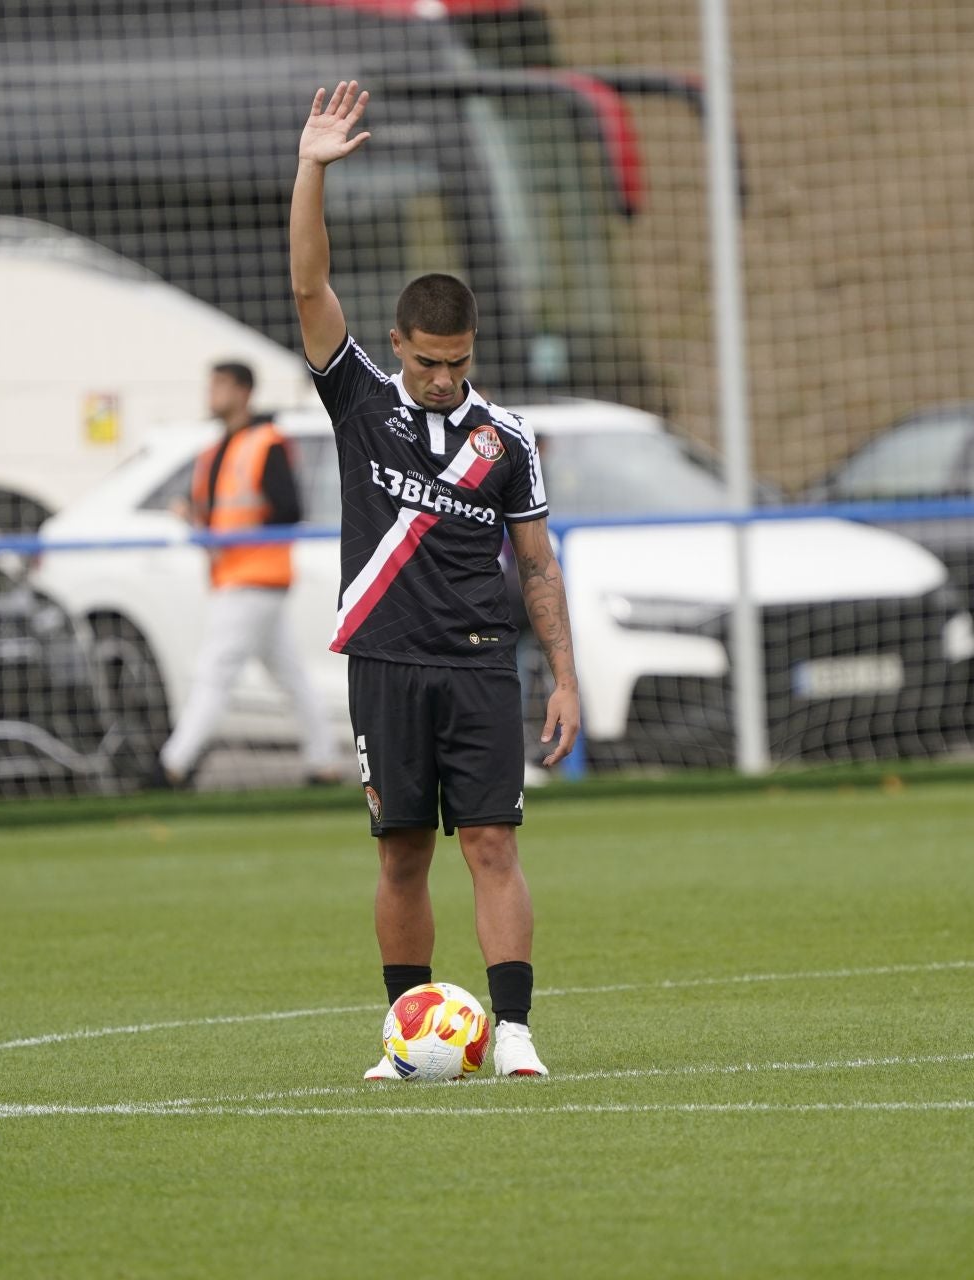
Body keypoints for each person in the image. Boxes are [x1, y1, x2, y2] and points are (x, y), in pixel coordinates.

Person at [291, 82, 581, 1079]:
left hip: (475, 666)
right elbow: (306, 289)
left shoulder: (507, 442)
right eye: (429, 363)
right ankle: (404, 1031)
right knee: (400, 852)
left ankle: (514, 1031)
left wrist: (567, 677)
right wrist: (312, 169)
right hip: (382, 659)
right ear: (400, 345)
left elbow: (538, 566)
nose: (445, 379)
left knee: (493, 846)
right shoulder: (361, 403)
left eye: (459, 363)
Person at [152, 360, 341, 789]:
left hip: (255, 577)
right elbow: (223, 517)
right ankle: (323, 759)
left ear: (243, 392)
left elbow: (287, 508)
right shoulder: (216, 449)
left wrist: (234, 528)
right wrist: (195, 517)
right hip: (235, 575)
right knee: (290, 675)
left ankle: (172, 764)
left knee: (216, 670)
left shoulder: (266, 441)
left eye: (219, 385)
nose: (211, 393)